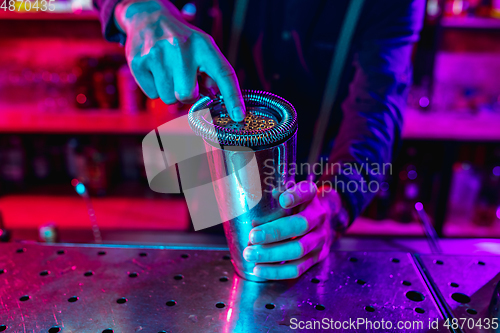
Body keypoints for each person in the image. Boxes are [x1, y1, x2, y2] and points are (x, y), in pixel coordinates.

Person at [93, 0, 425, 280]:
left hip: (311, 191)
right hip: (212, 173)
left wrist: (333, 204)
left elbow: (377, 110)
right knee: (205, 284)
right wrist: (138, 9)